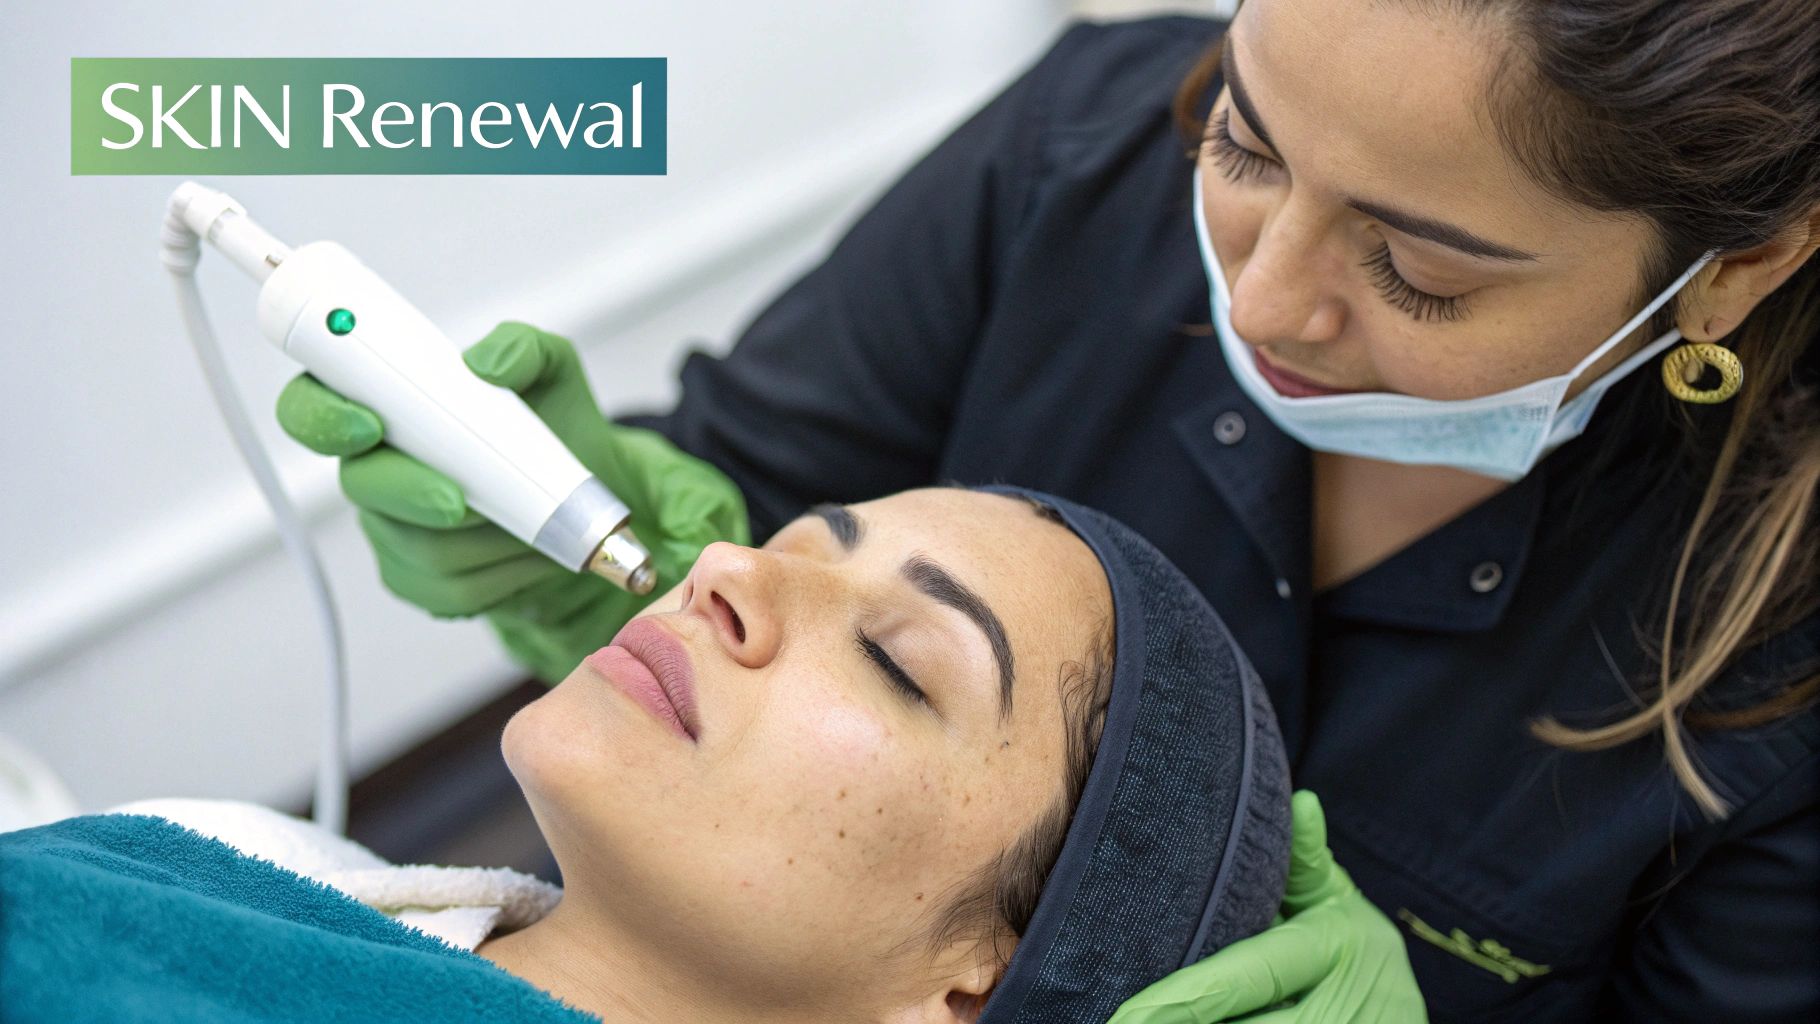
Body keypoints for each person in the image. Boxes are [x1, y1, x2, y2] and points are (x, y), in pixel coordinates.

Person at [275, 1, 1820, 1019]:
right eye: (1245, 140)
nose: (1262, 293)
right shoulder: (1082, 149)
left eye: (1419, 268)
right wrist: (573, 549)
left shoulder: (1780, 649)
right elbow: (733, 506)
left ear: (1736, 270)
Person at [0, 485, 1293, 1023]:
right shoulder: (224, 853)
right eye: (792, 544)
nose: (724, 572)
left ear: (971, 986)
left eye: (901, 661)